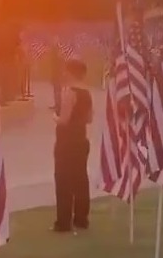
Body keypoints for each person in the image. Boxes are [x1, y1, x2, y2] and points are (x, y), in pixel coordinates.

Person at [52, 59, 93, 232]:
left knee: (63, 180)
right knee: (80, 179)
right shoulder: (87, 93)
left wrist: (54, 117)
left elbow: (64, 120)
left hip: (66, 142)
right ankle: (81, 219)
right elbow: (89, 119)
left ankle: (63, 221)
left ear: (70, 72)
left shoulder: (69, 92)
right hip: (81, 139)